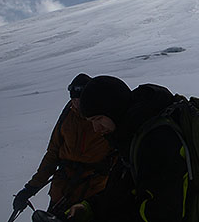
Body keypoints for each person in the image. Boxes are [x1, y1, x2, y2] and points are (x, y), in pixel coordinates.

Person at [67, 75, 188, 222]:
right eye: (91, 121)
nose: (96, 128)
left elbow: (162, 213)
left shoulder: (155, 141)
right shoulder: (129, 136)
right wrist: (89, 207)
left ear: (113, 109)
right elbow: (121, 190)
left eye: (98, 119)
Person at [12, 74, 113, 219]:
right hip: (62, 193)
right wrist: (31, 188)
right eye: (73, 99)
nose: (76, 104)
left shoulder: (103, 119)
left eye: (80, 99)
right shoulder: (68, 116)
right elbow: (52, 154)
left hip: (92, 194)